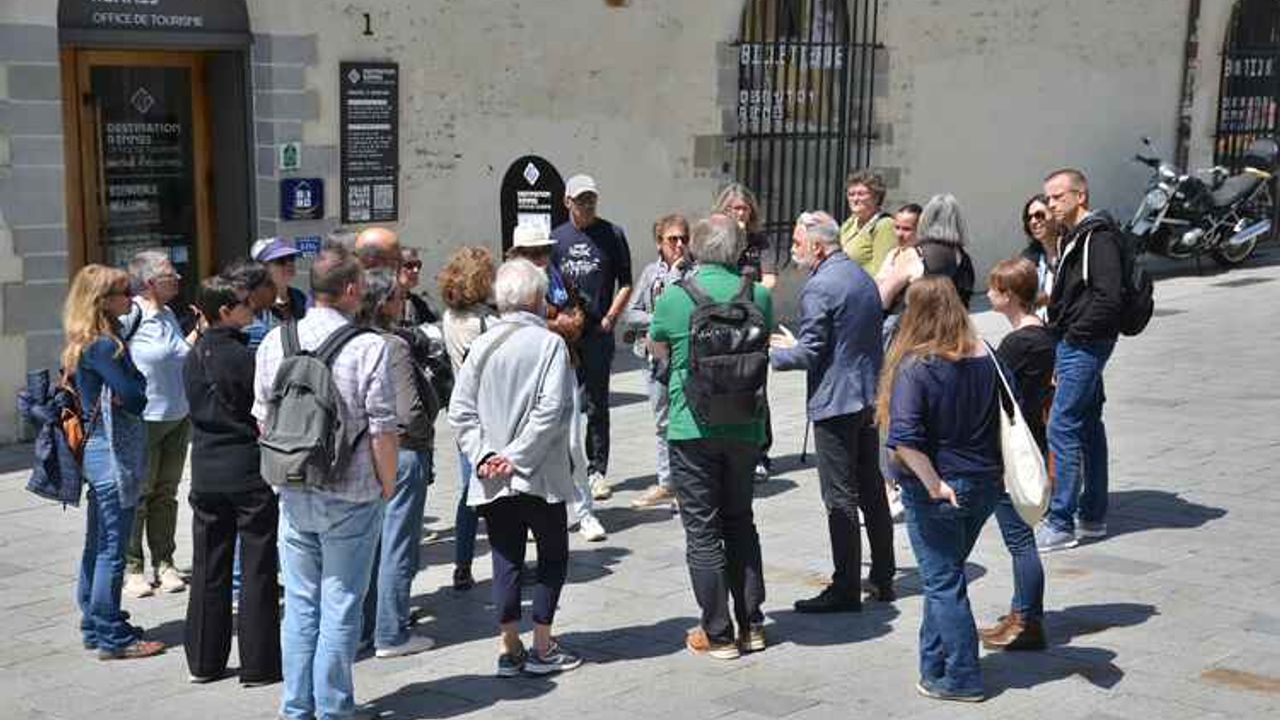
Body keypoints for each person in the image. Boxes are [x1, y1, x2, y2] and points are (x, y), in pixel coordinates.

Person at [253, 243, 398, 720]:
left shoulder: (277, 340)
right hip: (351, 490)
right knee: (341, 605)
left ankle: (297, 707)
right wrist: (387, 484)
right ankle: (334, 707)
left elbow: (262, 418)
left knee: (300, 605)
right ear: (352, 290)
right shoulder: (369, 346)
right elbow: (382, 427)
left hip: (293, 487)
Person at [448, 258, 583, 678]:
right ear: (538, 299)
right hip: (538, 474)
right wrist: (517, 456)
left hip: (493, 478)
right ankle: (543, 646)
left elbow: (460, 411)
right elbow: (551, 412)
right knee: (552, 556)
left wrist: (485, 455)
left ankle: (510, 647)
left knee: (505, 559)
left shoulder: (483, 345)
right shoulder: (548, 345)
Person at [650, 213, 771, 660]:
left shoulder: (675, 298)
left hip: (691, 425)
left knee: (702, 530)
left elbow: (657, 345)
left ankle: (717, 633)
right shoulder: (757, 294)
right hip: (745, 424)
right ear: (737, 250)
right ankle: (753, 625)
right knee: (741, 521)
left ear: (696, 250)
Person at [878, 276, 1003, 702]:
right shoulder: (986, 354)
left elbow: (906, 440)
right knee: (943, 575)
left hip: (939, 487)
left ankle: (963, 677)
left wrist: (933, 486)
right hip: (984, 484)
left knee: (944, 581)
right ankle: (933, 668)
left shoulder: (918, 365)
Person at [769, 211, 896, 612]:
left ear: (818, 247)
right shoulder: (858, 276)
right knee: (872, 489)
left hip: (836, 402)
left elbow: (809, 353)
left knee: (840, 497)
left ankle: (845, 587)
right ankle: (882, 575)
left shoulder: (819, 287)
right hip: (865, 395)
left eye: (797, 243)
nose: (793, 250)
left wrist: (771, 354)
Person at [183, 276, 281, 685]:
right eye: (243, 304)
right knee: (257, 566)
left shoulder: (193, 356)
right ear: (224, 311)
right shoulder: (242, 357)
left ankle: (204, 660)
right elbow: (258, 408)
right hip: (244, 467)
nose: (251, 309)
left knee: (209, 565)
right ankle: (258, 664)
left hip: (206, 468)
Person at [65, 264, 165, 660]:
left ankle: (94, 623)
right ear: (102, 301)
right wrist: (133, 384)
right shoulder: (105, 345)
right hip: (112, 457)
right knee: (111, 547)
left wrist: (132, 386)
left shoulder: (83, 340)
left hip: (95, 453)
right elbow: (136, 395)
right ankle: (112, 636)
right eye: (124, 292)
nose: (131, 297)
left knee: (97, 543)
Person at [1037, 168, 1125, 552]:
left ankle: (1060, 523)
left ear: (1080, 196)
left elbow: (1108, 297)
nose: (1050, 204)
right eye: (1049, 197)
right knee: (1088, 424)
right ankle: (1093, 517)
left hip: (1083, 344)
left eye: (1057, 197)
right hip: (1078, 341)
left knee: (1062, 425)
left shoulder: (1097, 237)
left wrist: (1073, 336)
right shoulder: (1077, 236)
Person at [357, 268, 438, 659]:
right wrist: (422, 437)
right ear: (383, 303)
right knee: (397, 543)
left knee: (371, 543)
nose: (401, 301)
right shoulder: (392, 345)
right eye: (394, 296)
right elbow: (409, 411)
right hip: (401, 449)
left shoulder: (351, 339)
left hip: (364, 452)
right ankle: (391, 630)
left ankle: (368, 624)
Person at [509, 226, 608, 542]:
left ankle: (585, 512)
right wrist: (556, 324)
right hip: (528, 373)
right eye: (533, 252)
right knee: (530, 442)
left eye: (545, 251)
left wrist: (567, 322)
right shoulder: (511, 287)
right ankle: (530, 515)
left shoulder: (559, 278)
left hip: (564, 365)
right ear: (518, 255)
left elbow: (577, 315)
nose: (541, 258)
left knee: (573, 443)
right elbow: (514, 324)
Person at [981, 258, 1051, 650]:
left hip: (1014, 448)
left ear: (1008, 295)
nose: (988, 293)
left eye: (993, 288)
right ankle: (1020, 611)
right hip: (1030, 439)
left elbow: (1002, 397)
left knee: (1020, 540)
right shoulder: (1040, 334)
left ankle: (1028, 621)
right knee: (1021, 536)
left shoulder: (1018, 343)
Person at [551, 174, 633, 500]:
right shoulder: (556, 238)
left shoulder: (612, 234)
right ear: (567, 202)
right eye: (581, 199)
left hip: (598, 332)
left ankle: (597, 470)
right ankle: (567, 468)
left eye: (591, 199)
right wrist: (557, 319)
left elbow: (626, 281)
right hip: (566, 335)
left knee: (597, 404)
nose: (587, 205)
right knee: (563, 403)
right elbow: (549, 282)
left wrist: (611, 317)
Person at [123, 250, 197, 598]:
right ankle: (133, 567)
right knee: (140, 495)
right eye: (171, 274)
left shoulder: (167, 313)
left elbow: (176, 355)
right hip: (145, 419)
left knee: (165, 494)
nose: (178, 278)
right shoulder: (131, 315)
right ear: (151, 282)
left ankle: (165, 562)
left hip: (177, 417)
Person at [438, 247, 499, 590]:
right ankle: (506, 558)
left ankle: (462, 563)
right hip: (489, 415)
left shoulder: (449, 317)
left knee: (468, 490)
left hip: (463, 415)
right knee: (494, 491)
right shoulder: (485, 321)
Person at [625, 213, 691, 510]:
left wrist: (677, 274)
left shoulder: (693, 272)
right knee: (662, 422)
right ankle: (667, 483)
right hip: (653, 358)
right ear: (659, 243)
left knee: (682, 420)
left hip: (683, 358)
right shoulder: (651, 272)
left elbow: (689, 310)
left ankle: (685, 483)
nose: (678, 245)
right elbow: (631, 312)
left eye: (684, 239)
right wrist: (658, 321)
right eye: (672, 239)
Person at [715, 183, 776, 481]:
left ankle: (761, 451)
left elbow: (770, 280)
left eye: (743, 208)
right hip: (724, 323)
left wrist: (747, 303)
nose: (739, 213)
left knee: (756, 385)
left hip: (752, 320)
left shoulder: (759, 241)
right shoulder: (717, 239)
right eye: (733, 208)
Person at [877, 194, 976, 312]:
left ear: (925, 220)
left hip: (915, 326)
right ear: (958, 222)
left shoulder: (914, 254)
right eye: (897, 227)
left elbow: (884, 297)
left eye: (907, 229)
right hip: (954, 327)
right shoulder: (964, 259)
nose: (899, 234)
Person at [246, 237, 308, 351]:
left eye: (291, 258)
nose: (289, 264)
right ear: (263, 267)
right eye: (281, 260)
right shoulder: (252, 303)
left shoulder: (300, 297)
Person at [715, 183, 777, 290]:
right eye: (737, 208)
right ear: (726, 210)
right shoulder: (713, 237)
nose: (741, 213)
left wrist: (751, 295)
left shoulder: (761, 240)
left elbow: (769, 278)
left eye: (745, 209)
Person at [839, 171, 896, 275]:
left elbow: (881, 270)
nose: (855, 199)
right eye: (851, 194)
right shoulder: (850, 223)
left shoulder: (885, 225)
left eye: (861, 194)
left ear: (876, 197)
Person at [1019, 193, 1060, 321]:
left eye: (1039, 215)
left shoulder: (1071, 252)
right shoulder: (1028, 259)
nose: (1033, 221)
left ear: (1055, 215)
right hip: (1039, 330)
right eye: (1029, 218)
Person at [398, 247, 439, 326]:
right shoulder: (380, 304)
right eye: (409, 265)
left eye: (418, 265)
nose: (416, 270)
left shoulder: (421, 304)